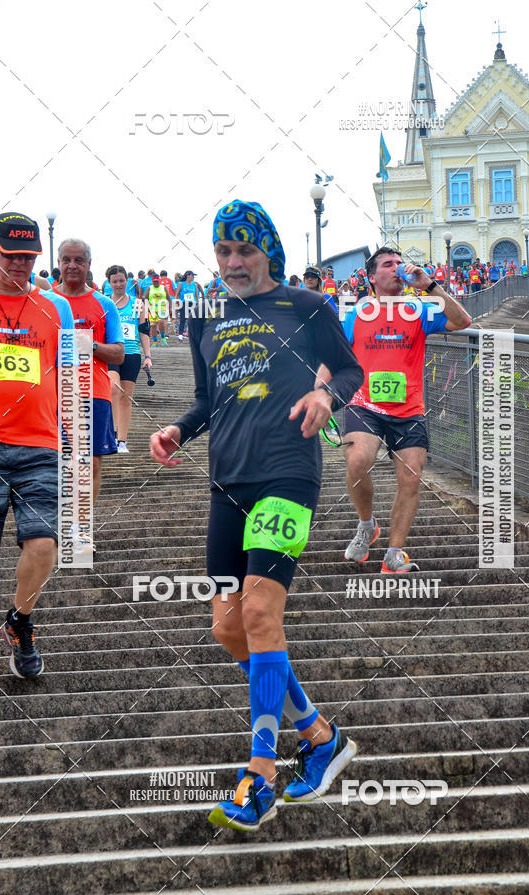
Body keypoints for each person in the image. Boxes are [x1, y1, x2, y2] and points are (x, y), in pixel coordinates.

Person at [150, 199, 363, 832]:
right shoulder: (204, 315)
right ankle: (322, 738)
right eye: (223, 252)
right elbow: (205, 398)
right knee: (228, 628)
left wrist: (326, 393)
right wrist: (177, 431)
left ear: (267, 250)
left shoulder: (306, 307)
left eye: (245, 250)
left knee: (261, 612)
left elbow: (351, 367)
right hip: (227, 484)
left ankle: (261, 772)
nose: (234, 263)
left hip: (288, 477)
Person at [333, 246, 471, 573]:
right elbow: (334, 358)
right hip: (364, 404)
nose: (396, 268)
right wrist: (319, 392)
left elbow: (463, 320)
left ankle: (394, 553)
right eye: (387, 264)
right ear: (371, 276)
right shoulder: (355, 313)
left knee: (410, 479)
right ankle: (366, 524)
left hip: (409, 410)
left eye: (399, 262)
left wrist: (430, 285)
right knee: (357, 460)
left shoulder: (419, 308)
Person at [0, 212, 75, 692]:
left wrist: (72, 434)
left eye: (28, 257)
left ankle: (20, 619)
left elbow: (68, 375)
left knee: (44, 546)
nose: (19, 265)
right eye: (10, 256)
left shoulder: (54, 308)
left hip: (40, 441)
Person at [54, 239, 124, 512]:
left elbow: (119, 354)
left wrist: (89, 345)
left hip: (91, 390)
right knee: (56, 461)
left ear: (89, 265)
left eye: (79, 260)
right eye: (66, 260)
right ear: (59, 263)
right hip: (53, 393)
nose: (72, 265)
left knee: (90, 462)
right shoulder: (45, 301)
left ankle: (81, 528)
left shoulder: (104, 304)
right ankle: (57, 524)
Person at [107, 265, 152, 452]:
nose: (119, 284)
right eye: (115, 281)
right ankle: (112, 434)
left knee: (126, 397)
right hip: (110, 352)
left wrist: (148, 356)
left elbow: (144, 331)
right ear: (109, 283)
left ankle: (121, 441)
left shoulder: (138, 303)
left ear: (128, 281)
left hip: (132, 352)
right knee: (113, 389)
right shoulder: (104, 303)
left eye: (122, 280)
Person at [176, 270, 204, 340]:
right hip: (184, 303)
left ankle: (194, 334)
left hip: (193, 303)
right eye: (192, 276)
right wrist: (177, 303)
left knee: (194, 319)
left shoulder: (195, 284)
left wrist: (198, 304)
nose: (193, 277)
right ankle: (180, 334)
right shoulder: (181, 284)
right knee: (183, 319)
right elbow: (177, 294)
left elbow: (196, 295)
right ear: (188, 276)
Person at [146, 273, 172, 346]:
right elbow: (146, 299)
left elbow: (169, 298)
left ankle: (163, 338)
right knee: (153, 326)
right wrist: (147, 308)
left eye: (157, 281)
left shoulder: (163, 288)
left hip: (162, 308)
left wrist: (170, 308)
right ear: (152, 281)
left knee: (161, 322)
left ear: (159, 280)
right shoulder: (149, 288)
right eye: (154, 281)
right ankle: (155, 342)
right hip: (152, 309)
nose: (155, 283)